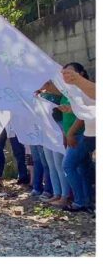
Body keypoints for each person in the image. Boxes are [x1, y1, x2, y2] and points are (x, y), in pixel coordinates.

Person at [58, 63, 95, 212]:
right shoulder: (72, 91)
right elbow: (86, 110)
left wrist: (71, 133)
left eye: (71, 73)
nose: (67, 76)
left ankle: (80, 201)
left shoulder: (86, 88)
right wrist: (71, 109)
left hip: (83, 135)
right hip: (87, 134)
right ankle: (87, 202)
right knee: (84, 168)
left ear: (81, 73)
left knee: (68, 165)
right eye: (65, 73)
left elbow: (84, 115)